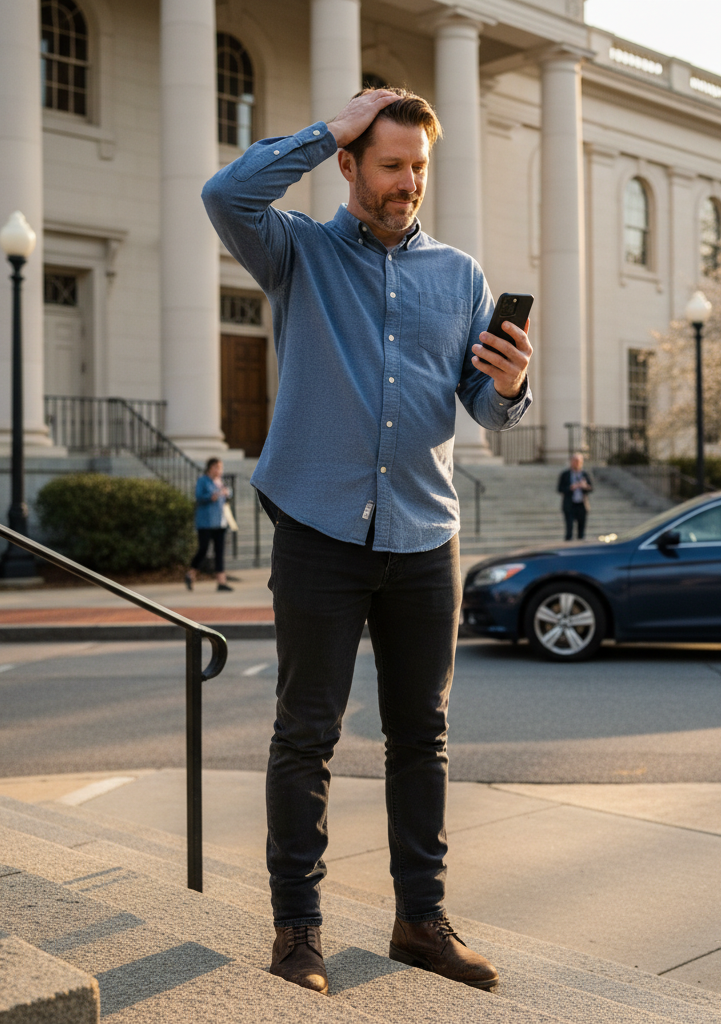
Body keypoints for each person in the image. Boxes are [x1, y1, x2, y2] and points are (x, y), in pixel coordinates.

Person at [202, 87, 533, 995]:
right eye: (390, 165)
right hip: (318, 527)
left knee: (421, 735)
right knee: (305, 735)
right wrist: (326, 129)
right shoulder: (297, 250)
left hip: (426, 536)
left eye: (419, 167)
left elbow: (483, 410)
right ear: (350, 163)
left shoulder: (459, 276)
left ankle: (420, 922)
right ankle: (296, 932)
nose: (407, 184)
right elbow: (224, 194)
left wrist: (509, 387)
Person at [185, 457, 233, 592]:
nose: (219, 470)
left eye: (220, 467)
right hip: (205, 522)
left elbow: (228, 494)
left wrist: (227, 493)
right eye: (217, 467)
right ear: (210, 468)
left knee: (219, 552)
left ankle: (221, 582)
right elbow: (199, 496)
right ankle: (191, 574)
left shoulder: (220, 482)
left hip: (220, 522)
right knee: (203, 549)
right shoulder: (203, 480)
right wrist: (211, 496)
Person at [558, 452, 593, 540]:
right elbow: (560, 489)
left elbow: (590, 488)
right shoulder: (565, 474)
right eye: (575, 461)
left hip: (582, 505)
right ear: (571, 461)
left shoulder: (585, 474)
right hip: (570, 505)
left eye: (578, 461)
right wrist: (571, 487)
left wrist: (584, 486)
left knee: (581, 530)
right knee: (569, 529)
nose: (576, 463)